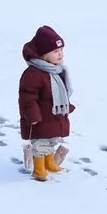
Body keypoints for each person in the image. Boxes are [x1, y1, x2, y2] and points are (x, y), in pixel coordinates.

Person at [19, 24, 74, 181]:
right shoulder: (34, 74)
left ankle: (49, 162)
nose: (60, 54)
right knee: (41, 143)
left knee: (52, 139)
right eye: (55, 51)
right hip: (40, 118)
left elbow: (61, 93)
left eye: (61, 50)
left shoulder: (58, 71)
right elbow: (27, 96)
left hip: (54, 115)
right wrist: (32, 114)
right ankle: (39, 168)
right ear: (43, 55)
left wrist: (66, 106)